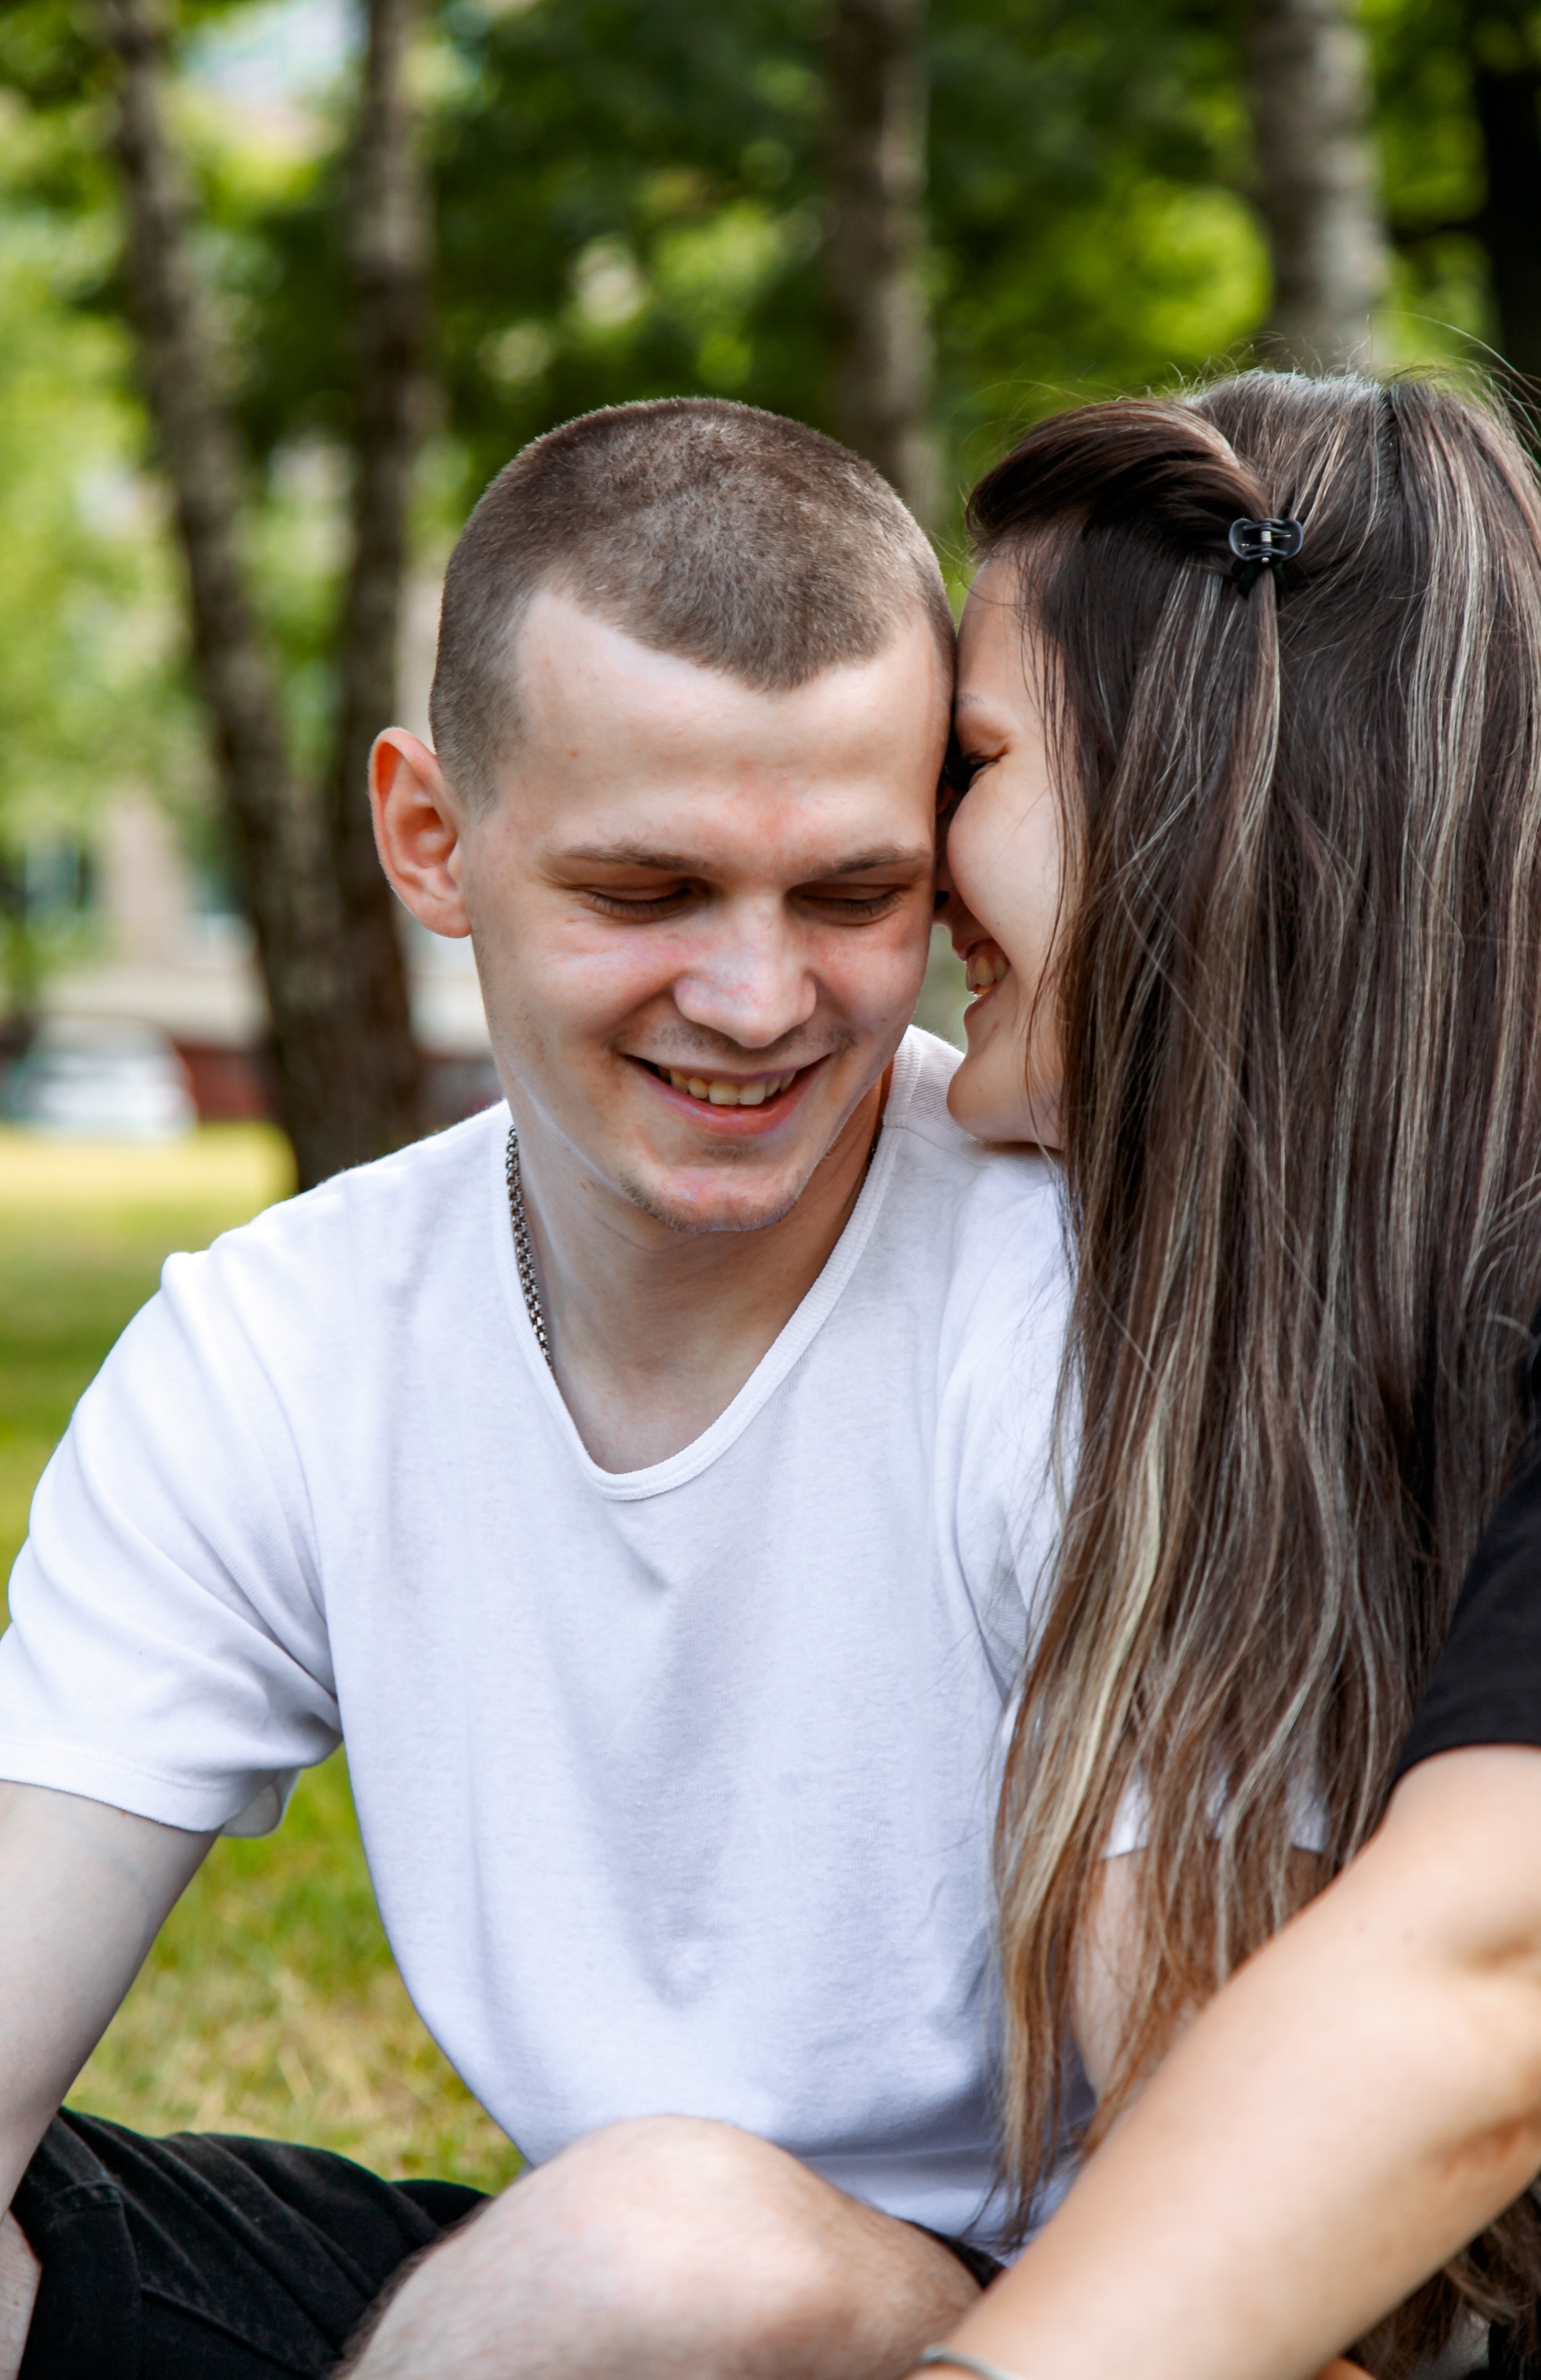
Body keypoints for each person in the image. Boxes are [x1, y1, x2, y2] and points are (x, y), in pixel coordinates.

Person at [0, 397, 1071, 2379]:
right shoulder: (279, 1348)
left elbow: (1309, 2204)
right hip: (560, 2295)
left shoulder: (1080, 1306)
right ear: (431, 837)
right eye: (646, 894)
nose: (757, 1002)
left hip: (1077, 2313)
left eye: (853, 898)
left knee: (648, 2254)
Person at [909, 371, 1541, 2380]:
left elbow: (1492, 1981)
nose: (911, 861)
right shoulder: (1233, 1339)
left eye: (969, 765)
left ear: (1198, 788)